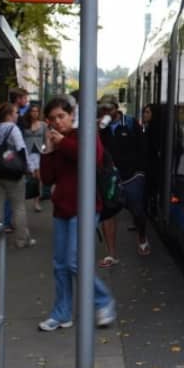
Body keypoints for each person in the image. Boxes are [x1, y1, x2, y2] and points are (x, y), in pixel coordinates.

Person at [38, 95, 116, 331]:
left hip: (85, 207)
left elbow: (90, 158)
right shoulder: (58, 141)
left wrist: (61, 143)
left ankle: (104, 301)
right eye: (52, 119)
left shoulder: (85, 135)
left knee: (74, 261)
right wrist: (48, 151)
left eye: (61, 116)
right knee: (60, 264)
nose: (58, 122)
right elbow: (48, 178)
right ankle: (62, 313)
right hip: (63, 208)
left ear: (72, 115)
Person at [97, 94, 150, 267]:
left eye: (109, 109)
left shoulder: (130, 123)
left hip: (131, 175)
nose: (106, 112)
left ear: (116, 108)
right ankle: (111, 254)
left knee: (137, 209)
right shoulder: (100, 127)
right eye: (103, 109)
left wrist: (140, 170)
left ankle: (142, 237)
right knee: (108, 213)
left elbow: (143, 146)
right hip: (109, 176)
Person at [0, 103, 35, 248]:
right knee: (18, 207)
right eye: (16, 113)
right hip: (13, 173)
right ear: (9, 115)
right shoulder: (13, 129)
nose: (17, 115)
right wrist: (29, 167)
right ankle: (22, 239)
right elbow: (21, 149)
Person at [21, 103, 47, 211]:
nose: (34, 113)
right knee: (26, 177)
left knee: (38, 178)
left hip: (39, 153)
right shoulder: (24, 124)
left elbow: (46, 140)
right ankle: (23, 199)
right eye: (32, 111)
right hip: (27, 153)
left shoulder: (43, 125)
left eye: (36, 111)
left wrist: (46, 150)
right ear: (29, 112)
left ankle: (36, 202)